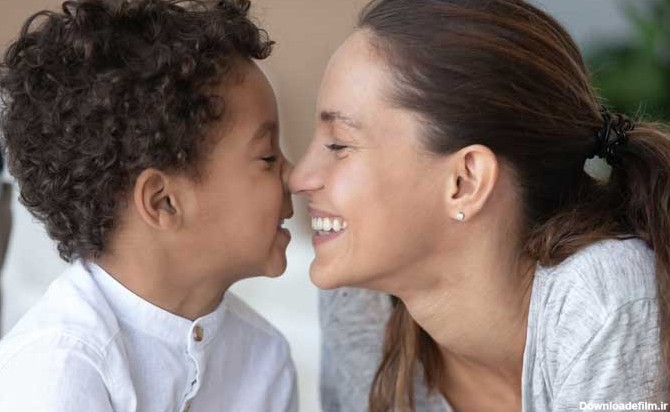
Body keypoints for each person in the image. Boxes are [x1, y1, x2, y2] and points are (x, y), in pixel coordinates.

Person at [289, 0, 670, 411]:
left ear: (465, 181)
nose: (299, 178)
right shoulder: (361, 306)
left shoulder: (603, 302)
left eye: (339, 145)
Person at [0, 1, 297, 411]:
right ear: (164, 202)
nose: (295, 175)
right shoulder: (59, 369)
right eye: (267, 157)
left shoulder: (266, 358)